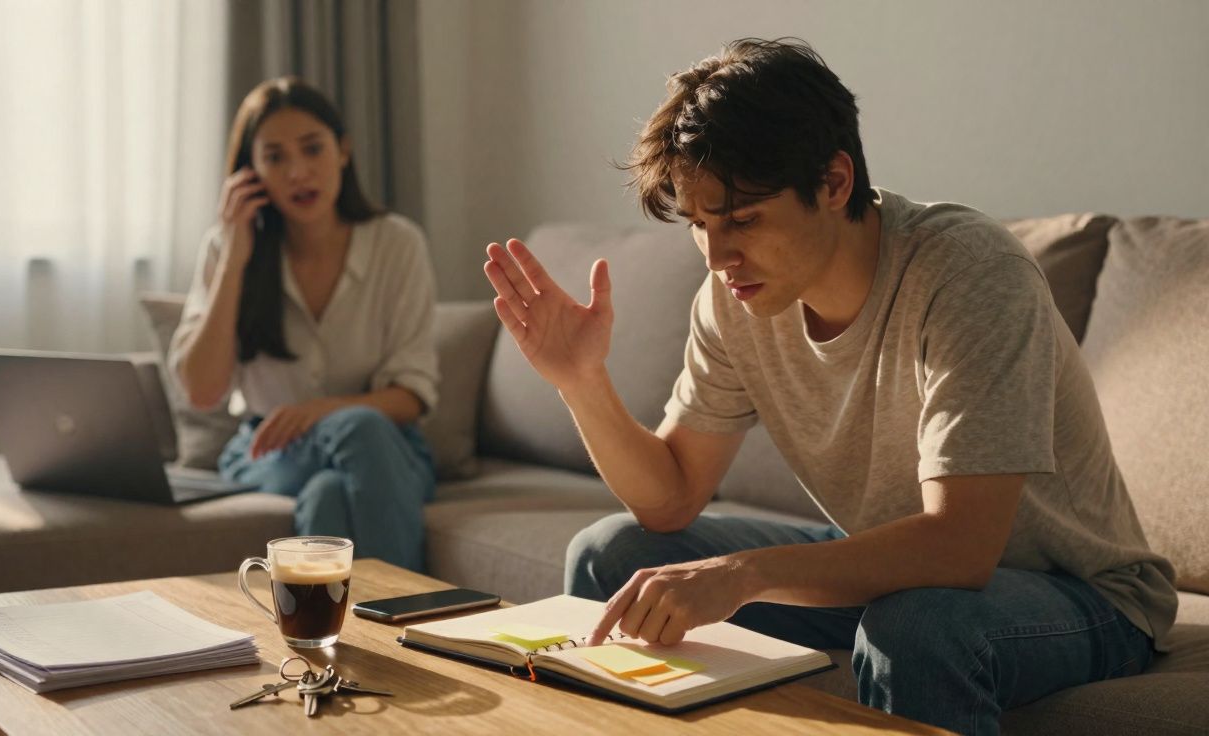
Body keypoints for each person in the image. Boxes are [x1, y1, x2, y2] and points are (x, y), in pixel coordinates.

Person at [482, 38, 1175, 734]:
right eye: (699, 225)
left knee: (917, 625)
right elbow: (671, 499)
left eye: (743, 220)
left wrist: (744, 574)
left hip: (1080, 594)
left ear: (835, 182)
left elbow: (961, 548)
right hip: (895, 564)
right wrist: (582, 382)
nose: (718, 256)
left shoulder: (970, 274)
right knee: (614, 554)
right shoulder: (733, 299)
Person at [171, 77, 438, 572]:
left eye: (313, 149)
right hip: (270, 454)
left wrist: (321, 412)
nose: (298, 172)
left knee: (328, 490)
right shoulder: (225, 249)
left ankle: (338, 620)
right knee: (349, 442)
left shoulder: (397, 244)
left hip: (387, 451)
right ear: (250, 173)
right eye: (275, 158)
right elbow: (202, 391)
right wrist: (234, 257)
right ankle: (407, 609)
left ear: (343, 151)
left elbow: (412, 396)